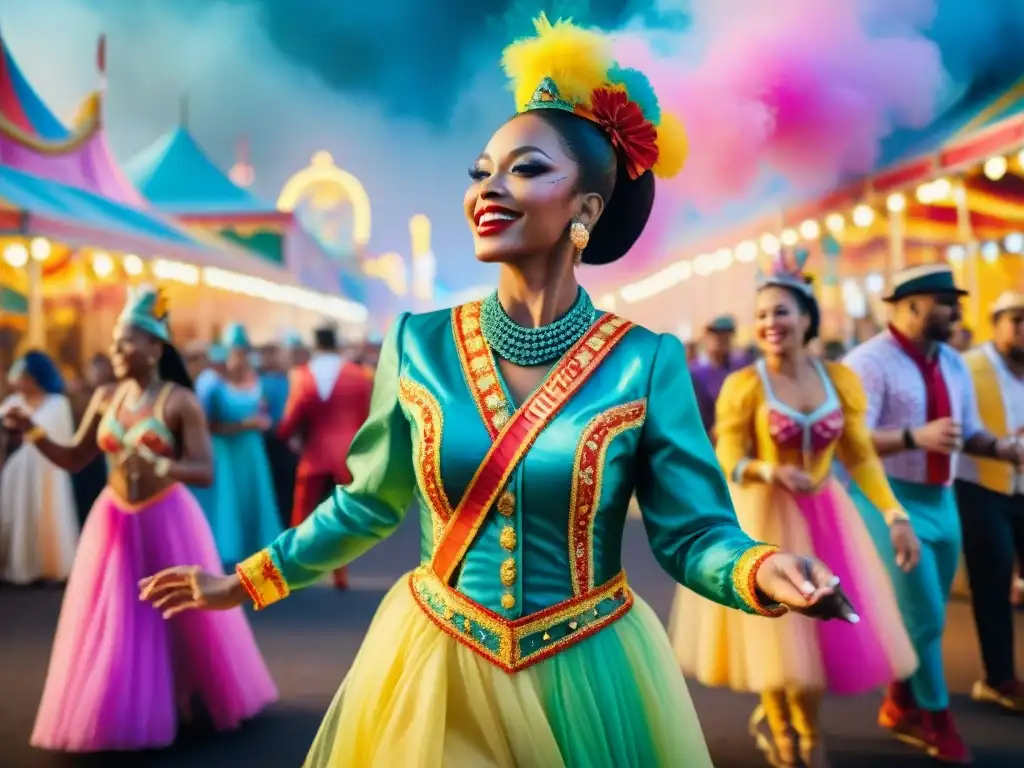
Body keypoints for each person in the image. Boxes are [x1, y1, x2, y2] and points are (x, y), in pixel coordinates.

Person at [139, 17, 854, 767]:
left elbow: (691, 531)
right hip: (436, 662)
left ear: (584, 210)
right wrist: (248, 580)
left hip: (590, 667)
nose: (489, 188)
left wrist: (759, 568)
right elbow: (369, 500)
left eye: (525, 169)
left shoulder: (645, 362)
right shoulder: (418, 342)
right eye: (482, 171)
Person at [1, 286, 275, 752]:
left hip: (166, 518)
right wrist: (33, 431)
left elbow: (205, 470)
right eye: (114, 342)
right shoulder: (106, 397)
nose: (116, 350)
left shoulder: (179, 402)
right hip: (113, 521)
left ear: (155, 346)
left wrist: (164, 467)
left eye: (128, 340)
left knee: (178, 614)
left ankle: (188, 696)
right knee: (118, 618)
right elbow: (73, 458)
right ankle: (119, 704)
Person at [672, 253, 919, 767]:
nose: (769, 324)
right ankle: (784, 728)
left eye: (781, 312)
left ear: (807, 317)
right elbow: (728, 456)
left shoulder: (839, 382)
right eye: (761, 315)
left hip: (828, 519)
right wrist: (771, 471)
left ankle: (808, 727)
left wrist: (895, 514)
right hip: (763, 516)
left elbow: (861, 454)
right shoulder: (745, 385)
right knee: (776, 631)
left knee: (818, 633)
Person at [844, 264, 1024, 764]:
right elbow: (850, 441)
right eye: (947, 302)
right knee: (922, 617)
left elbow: (966, 431)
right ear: (912, 305)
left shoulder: (953, 361)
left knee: (931, 616)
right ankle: (939, 723)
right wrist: (911, 437)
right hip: (890, 500)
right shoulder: (868, 362)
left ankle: (899, 702)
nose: (958, 312)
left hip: (942, 500)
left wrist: (1006, 449)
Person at [956, 290, 1024, 711]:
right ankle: (999, 678)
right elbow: (958, 427)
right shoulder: (969, 368)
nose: (1021, 329)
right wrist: (1002, 447)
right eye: (1014, 320)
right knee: (994, 583)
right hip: (983, 489)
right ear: (994, 323)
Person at [277, 322, 372, 590]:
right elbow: (365, 417)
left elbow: (292, 417)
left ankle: (293, 569)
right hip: (346, 455)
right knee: (342, 515)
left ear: (315, 344)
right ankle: (340, 573)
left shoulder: (302, 375)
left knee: (302, 514)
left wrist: (285, 436)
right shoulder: (359, 375)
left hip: (313, 453)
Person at [200, 324, 281, 565]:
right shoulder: (212, 383)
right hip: (225, 452)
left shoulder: (257, 380)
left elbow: (264, 409)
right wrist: (244, 425)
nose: (240, 357)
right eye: (235, 352)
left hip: (252, 453)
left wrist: (261, 422)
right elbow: (205, 425)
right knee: (228, 503)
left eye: (243, 352)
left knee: (252, 500)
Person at [0, 351, 79, 584]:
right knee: (18, 514)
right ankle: (20, 568)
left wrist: (28, 427)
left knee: (47, 513)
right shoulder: (12, 403)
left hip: (48, 470)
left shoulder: (58, 403)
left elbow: (62, 440)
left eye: (24, 375)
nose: (19, 380)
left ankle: (50, 569)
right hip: (17, 471)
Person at [690, 314, 752, 433]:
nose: (721, 339)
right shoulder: (693, 373)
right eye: (716, 334)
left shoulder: (741, 366)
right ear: (706, 336)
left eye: (726, 334)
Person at [258, 342, 297, 529]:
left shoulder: (290, 379)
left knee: (286, 485)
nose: (269, 359)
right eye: (266, 354)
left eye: (273, 354)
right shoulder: (256, 380)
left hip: (285, 439)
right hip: (264, 439)